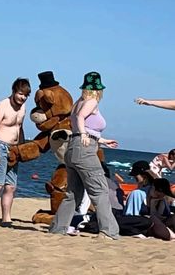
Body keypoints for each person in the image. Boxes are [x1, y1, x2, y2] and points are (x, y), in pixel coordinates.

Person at [49, 71, 120, 240]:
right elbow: (81, 120)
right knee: (100, 190)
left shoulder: (78, 102)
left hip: (73, 148)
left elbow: (83, 124)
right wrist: (84, 135)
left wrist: (102, 140)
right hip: (84, 149)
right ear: (98, 89)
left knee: (73, 193)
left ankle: (58, 228)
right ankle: (108, 231)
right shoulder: (91, 101)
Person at [0, 77, 31, 225]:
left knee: (11, 186)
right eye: (20, 94)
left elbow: (20, 128)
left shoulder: (23, 108)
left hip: (14, 149)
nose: (22, 97)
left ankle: (6, 217)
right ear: (14, 91)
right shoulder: (2, 105)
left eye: (25, 95)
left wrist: (22, 147)